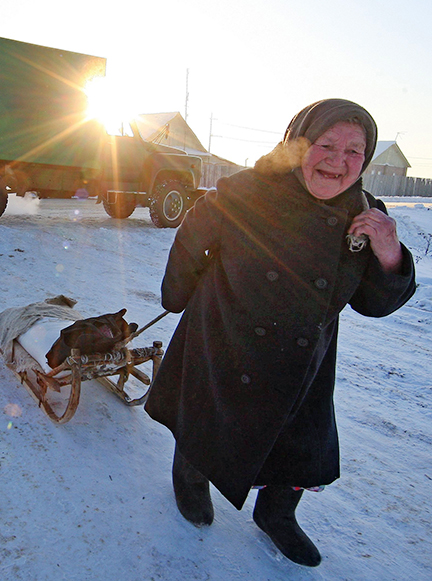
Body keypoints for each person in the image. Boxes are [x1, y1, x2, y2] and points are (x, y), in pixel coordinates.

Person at [144, 99, 416, 567]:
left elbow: (373, 303)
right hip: (224, 332)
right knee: (206, 413)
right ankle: (190, 474)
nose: (339, 159)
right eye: (326, 144)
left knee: (301, 441)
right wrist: (178, 295)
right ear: (298, 146)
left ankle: (277, 513)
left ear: (366, 160)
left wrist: (389, 254)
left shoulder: (366, 215)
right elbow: (192, 237)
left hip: (302, 355)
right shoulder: (247, 191)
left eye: (355, 150)